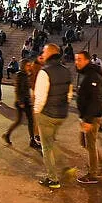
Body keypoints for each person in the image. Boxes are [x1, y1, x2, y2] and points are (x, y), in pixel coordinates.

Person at [34, 44, 73, 188]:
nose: (42, 53)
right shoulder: (66, 71)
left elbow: (40, 97)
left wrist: (37, 113)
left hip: (47, 114)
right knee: (51, 142)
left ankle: (53, 179)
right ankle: (65, 167)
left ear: (50, 53)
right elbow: (69, 95)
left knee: (46, 147)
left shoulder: (45, 72)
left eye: (44, 51)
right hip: (61, 114)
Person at [72, 49, 102, 184]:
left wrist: (87, 120)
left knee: (90, 144)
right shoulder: (84, 73)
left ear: (87, 60)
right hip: (86, 116)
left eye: (80, 59)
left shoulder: (92, 75)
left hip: (91, 117)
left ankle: (93, 173)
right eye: (76, 59)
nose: (77, 62)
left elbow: (95, 99)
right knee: (84, 142)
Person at [3, 59, 40, 149]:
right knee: (27, 121)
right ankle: (31, 140)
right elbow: (17, 89)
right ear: (23, 66)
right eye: (27, 65)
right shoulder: (20, 75)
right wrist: (21, 101)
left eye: (29, 65)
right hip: (22, 101)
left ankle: (8, 135)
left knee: (25, 121)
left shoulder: (27, 74)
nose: (29, 66)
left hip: (26, 100)